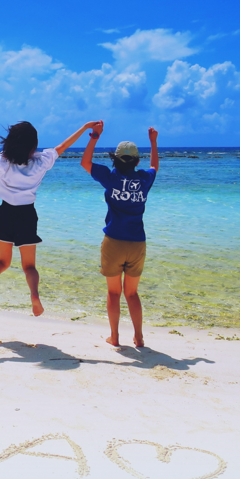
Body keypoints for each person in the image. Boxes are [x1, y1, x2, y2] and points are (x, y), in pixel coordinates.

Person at [0, 121, 100, 316]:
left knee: (2, 263)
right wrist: (85, 128)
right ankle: (34, 295)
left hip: (5, 213)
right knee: (29, 266)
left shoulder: (3, 161)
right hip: (27, 215)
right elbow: (64, 145)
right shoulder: (41, 162)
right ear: (33, 144)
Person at [80, 121, 159, 347]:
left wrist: (95, 136)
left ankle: (114, 337)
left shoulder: (110, 177)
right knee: (132, 294)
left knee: (114, 293)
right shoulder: (144, 179)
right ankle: (139, 337)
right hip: (137, 243)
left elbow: (85, 162)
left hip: (114, 241)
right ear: (137, 161)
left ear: (114, 160)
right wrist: (153, 142)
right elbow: (154, 166)